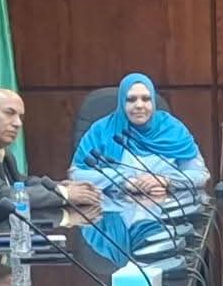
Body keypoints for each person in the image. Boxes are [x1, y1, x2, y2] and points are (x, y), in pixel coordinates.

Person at [0, 87, 101, 234]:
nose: (18, 123)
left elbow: (20, 182)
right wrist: (64, 194)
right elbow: (1, 196)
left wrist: (58, 187)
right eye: (9, 113)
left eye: (20, 117)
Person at [71, 73, 210, 196]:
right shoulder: (101, 130)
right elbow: (76, 174)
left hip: (168, 211)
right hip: (115, 209)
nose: (139, 105)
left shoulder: (173, 129)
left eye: (146, 99)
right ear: (122, 102)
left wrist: (165, 180)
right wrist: (125, 182)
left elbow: (200, 175)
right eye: (131, 99)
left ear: (153, 101)